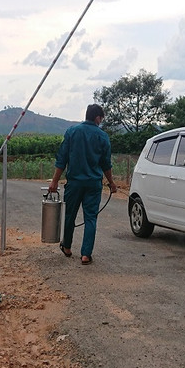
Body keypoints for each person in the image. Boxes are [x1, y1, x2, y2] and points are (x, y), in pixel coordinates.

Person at [47, 104, 118, 265]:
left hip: (74, 183)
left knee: (70, 215)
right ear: (97, 118)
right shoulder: (103, 136)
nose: (101, 122)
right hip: (93, 184)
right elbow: (106, 164)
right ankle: (86, 255)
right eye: (101, 119)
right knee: (91, 218)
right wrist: (112, 183)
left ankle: (67, 247)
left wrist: (54, 181)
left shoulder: (72, 132)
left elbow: (62, 159)